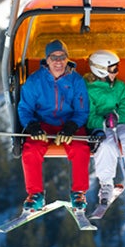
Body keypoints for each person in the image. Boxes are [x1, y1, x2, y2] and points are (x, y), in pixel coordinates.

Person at [17, 39, 90, 212]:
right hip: (44, 123)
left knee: (80, 148)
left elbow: (82, 110)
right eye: (53, 57)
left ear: (67, 59)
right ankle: (35, 194)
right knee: (31, 149)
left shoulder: (76, 81)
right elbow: (25, 108)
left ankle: (79, 192)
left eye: (62, 57)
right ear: (47, 60)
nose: (58, 61)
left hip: (69, 123)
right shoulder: (35, 81)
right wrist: (32, 126)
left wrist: (72, 126)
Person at [84, 50, 125, 205]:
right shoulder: (88, 89)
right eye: (113, 69)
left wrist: (119, 116)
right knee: (106, 145)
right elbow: (88, 114)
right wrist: (102, 122)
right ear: (100, 69)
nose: (116, 72)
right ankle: (106, 183)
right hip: (99, 127)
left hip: (119, 123)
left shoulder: (119, 86)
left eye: (117, 68)